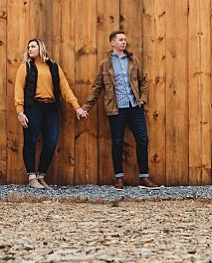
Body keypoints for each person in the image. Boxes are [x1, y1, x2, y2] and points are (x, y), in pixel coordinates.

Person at [82, 29, 161, 189]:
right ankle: (119, 178)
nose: (124, 42)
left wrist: (142, 100)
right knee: (117, 142)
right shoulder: (105, 65)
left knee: (142, 140)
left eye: (125, 39)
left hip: (134, 107)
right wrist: (86, 107)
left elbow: (143, 81)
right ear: (112, 43)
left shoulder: (133, 61)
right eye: (120, 40)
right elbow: (97, 87)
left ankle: (144, 178)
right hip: (116, 109)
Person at [14, 38, 87, 190]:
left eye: (33, 46)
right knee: (31, 141)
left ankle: (41, 176)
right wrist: (20, 112)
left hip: (50, 109)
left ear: (41, 47)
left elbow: (65, 89)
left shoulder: (53, 67)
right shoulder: (26, 66)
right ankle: (32, 178)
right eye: (28, 47)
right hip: (33, 107)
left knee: (51, 141)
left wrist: (77, 107)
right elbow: (18, 90)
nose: (30, 49)